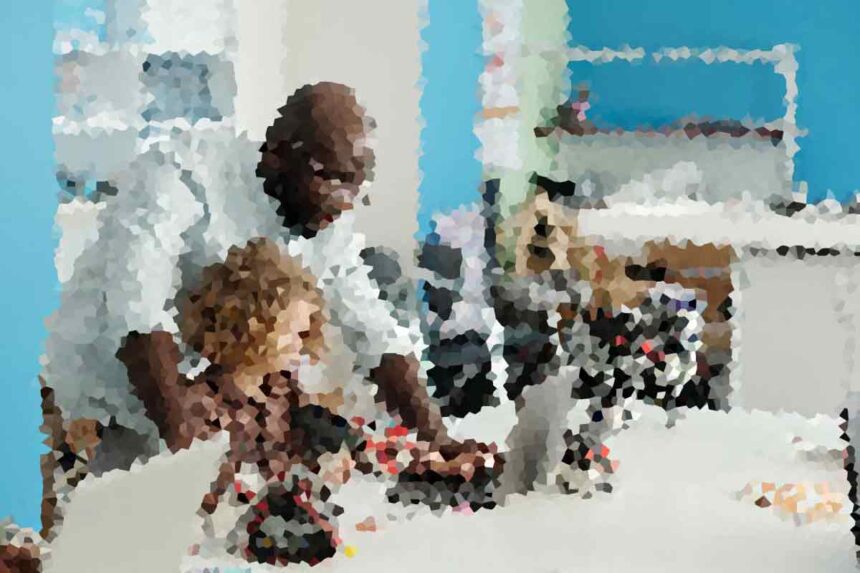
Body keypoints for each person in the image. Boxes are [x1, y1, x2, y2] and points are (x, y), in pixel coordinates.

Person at [41, 82, 498, 539]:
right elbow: (135, 308)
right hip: (102, 407)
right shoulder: (182, 174)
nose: (342, 203)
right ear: (278, 153)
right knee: (101, 542)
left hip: (201, 410)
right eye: (330, 178)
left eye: (355, 188)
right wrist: (191, 460)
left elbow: (373, 326)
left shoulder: (325, 217)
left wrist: (435, 440)